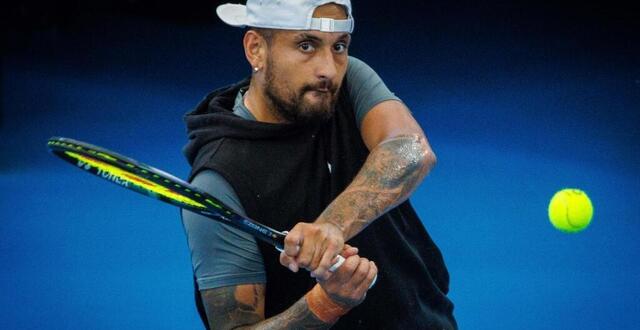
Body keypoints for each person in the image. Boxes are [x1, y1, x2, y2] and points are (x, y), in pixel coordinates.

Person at [181, 0, 457, 328]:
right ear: (256, 49)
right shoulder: (218, 181)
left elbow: (411, 151)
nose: (328, 69)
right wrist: (326, 304)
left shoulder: (350, 81)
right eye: (306, 45)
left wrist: (331, 227)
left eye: (339, 46)